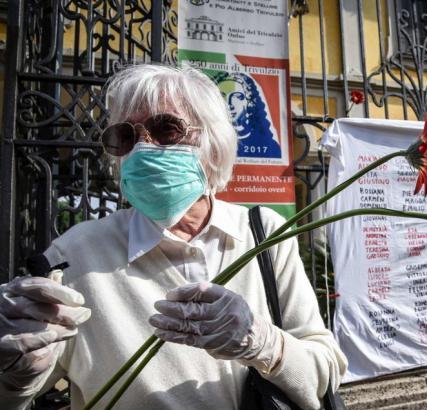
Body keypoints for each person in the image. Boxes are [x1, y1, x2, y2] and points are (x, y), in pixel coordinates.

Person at [0, 64, 347, 409]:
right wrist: (18, 367)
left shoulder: (265, 233)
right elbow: (17, 393)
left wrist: (263, 343)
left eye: (166, 129)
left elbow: (325, 371)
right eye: (126, 136)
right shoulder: (76, 252)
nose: (143, 148)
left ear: (213, 144)